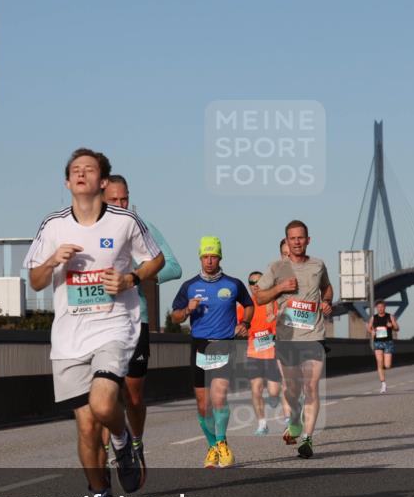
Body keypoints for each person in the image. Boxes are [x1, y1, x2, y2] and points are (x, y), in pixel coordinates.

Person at [24, 148, 164, 497]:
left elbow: (156, 260)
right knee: (85, 428)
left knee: (104, 403)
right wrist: (53, 261)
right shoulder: (52, 226)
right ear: (67, 182)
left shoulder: (124, 221)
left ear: (103, 181)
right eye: (75, 170)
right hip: (69, 339)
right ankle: (100, 493)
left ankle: (122, 443)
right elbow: (34, 281)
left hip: (114, 326)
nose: (81, 174)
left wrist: (130, 279)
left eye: (89, 169)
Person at [100, 175, 182, 479]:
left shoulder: (140, 227)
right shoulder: (86, 229)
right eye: (114, 200)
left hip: (135, 320)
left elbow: (173, 265)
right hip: (99, 322)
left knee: (133, 397)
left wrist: (138, 274)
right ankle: (113, 457)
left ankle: (136, 442)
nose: (121, 205)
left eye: (125, 199)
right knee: (104, 393)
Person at [254, 220, 333, 459]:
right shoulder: (277, 268)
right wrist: (280, 289)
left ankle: (307, 439)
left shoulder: (318, 264)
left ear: (308, 240)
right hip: (287, 338)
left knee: (311, 387)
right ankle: (295, 421)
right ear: (286, 241)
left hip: (313, 335)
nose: (297, 242)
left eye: (301, 238)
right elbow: (259, 297)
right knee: (292, 390)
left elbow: (327, 288)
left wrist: (328, 302)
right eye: (292, 238)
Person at [171, 237, 252, 468]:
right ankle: (212, 447)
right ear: (200, 257)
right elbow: (175, 316)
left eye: (213, 256)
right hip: (200, 345)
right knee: (202, 404)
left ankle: (222, 442)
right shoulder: (189, 286)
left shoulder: (233, 284)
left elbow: (248, 305)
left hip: (224, 343)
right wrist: (188, 309)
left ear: (220, 257)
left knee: (219, 397)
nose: (209, 260)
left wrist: (244, 323)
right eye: (205, 256)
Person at [237, 271, 281, 435]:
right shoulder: (244, 306)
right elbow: (235, 325)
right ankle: (262, 424)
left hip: (271, 353)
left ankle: (275, 399)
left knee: (274, 392)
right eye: (252, 282)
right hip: (253, 353)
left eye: (259, 281)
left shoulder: (274, 303)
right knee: (256, 389)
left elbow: (283, 327)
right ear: (248, 285)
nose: (255, 285)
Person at [367, 300, 398, 393]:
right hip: (378, 342)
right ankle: (383, 384)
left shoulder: (390, 316)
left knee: (387, 365)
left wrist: (392, 325)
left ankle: (383, 370)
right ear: (376, 308)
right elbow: (369, 327)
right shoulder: (373, 318)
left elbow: (397, 328)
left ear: (385, 307)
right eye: (378, 307)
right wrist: (371, 332)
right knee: (379, 362)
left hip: (388, 342)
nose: (380, 309)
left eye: (382, 307)